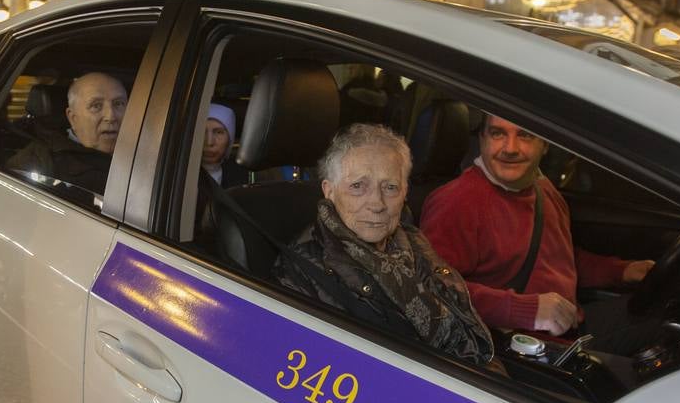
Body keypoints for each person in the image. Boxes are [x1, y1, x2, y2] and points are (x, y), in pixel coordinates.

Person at [420, 115, 653, 351]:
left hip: (570, 327)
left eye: (525, 135)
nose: (510, 148)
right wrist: (526, 310)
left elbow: (559, 260)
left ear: (545, 144)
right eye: (498, 133)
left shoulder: (542, 189)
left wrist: (623, 271)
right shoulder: (457, 202)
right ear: (482, 139)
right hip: (521, 348)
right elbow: (433, 288)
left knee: (667, 312)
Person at [275, 124, 493, 365]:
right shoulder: (302, 270)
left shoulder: (414, 242)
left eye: (390, 187)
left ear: (405, 192)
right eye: (357, 186)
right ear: (330, 191)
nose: (377, 203)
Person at [7, 71, 127, 195]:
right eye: (96, 106)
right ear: (73, 118)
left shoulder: (143, 153)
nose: (111, 116)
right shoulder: (37, 163)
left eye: (118, 104)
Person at [201, 103, 248, 188]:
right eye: (202, 132)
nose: (209, 142)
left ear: (230, 140)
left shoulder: (242, 176)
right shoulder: (178, 173)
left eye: (219, 132)